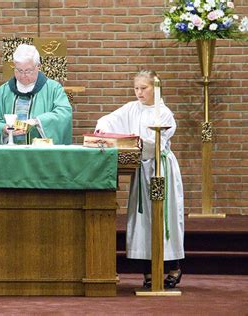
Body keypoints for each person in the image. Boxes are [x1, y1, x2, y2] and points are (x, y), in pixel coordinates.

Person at [95, 70, 184, 289]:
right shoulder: (131, 108)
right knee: (144, 221)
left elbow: (157, 141)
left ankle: (173, 266)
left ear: (156, 88)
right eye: (136, 88)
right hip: (142, 170)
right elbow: (110, 120)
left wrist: (134, 142)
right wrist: (103, 130)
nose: (139, 92)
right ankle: (148, 271)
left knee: (165, 218)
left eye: (144, 88)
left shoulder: (163, 113)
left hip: (161, 169)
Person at [0, 43, 72, 145]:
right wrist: (3, 129)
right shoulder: (2, 92)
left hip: (41, 156)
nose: (23, 75)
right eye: (19, 70)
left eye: (28, 71)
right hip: (10, 155)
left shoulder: (54, 89)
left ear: (38, 66)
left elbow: (64, 114)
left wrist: (37, 121)